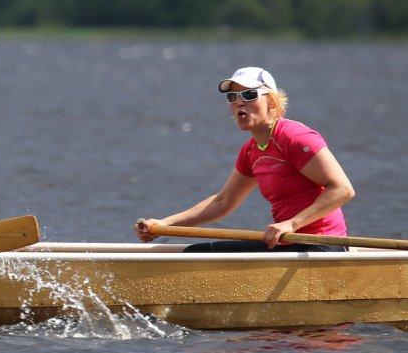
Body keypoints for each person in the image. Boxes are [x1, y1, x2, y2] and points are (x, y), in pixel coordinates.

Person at [135, 66, 355, 253]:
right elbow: (223, 202)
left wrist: (291, 224)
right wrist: (164, 224)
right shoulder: (251, 151)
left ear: (271, 102)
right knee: (196, 253)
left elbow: (342, 189)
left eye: (249, 95)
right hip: (286, 243)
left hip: (321, 245)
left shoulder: (294, 137)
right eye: (233, 97)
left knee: (197, 256)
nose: (239, 103)